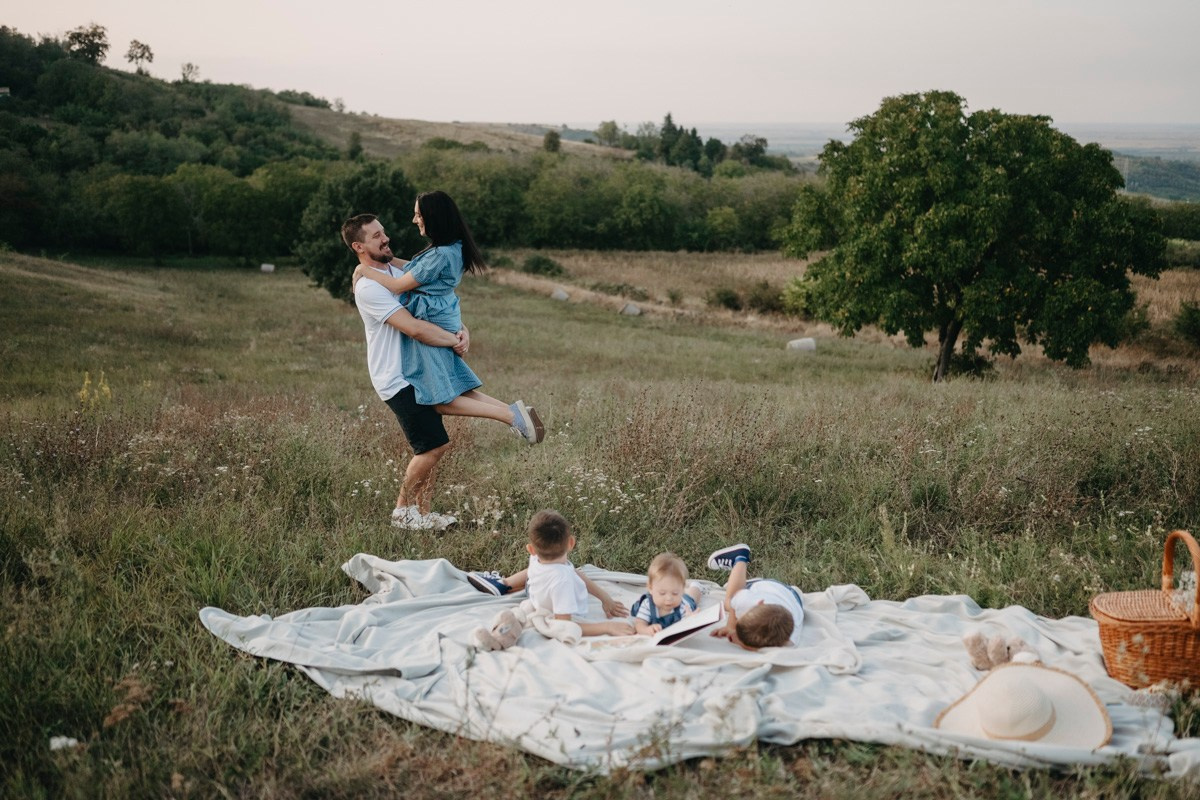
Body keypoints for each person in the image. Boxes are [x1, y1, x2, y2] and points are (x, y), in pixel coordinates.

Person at [352, 192, 544, 445]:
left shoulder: (439, 255)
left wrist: (363, 269)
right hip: (444, 319)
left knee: (441, 398)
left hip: (432, 326)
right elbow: (414, 269)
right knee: (459, 389)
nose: (414, 220)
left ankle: (510, 416)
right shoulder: (449, 249)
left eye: (419, 214)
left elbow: (399, 286)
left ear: (433, 218)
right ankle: (516, 411)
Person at [343, 212, 469, 530]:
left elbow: (437, 300)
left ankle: (422, 514)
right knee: (432, 445)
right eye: (376, 236)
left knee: (434, 446)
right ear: (358, 245)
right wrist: (452, 341)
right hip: (396, 377)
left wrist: (460, 328)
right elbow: (413, 328)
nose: (385, 238)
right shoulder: (369, 287)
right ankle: (403, 511)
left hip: (419, 370)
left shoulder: (393, 269)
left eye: (383, 232)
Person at [467, 510, 634, 637]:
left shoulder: (536, 559)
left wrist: (604, 597)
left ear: (531, 549)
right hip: (560, 607)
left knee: (568, 570)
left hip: (536, 591)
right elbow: (564, 624)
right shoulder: (563, 580)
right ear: (571, 543)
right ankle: (504, 584)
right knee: (569, 573)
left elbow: (573, 571)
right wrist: (607, 627)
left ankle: (503, 584)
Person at [707, 543, 804, 649]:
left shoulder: (790, 638)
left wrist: (743, 642)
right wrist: (730, 627)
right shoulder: (747, 601)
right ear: (759, 603)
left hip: (793, 597)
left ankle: (740, 558)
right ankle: (740, 559)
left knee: (729, 605)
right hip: (768, 587)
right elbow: (736, 602)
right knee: (730, 602)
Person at [629, 552, 703, 636]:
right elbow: (639, 624)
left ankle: (696, 586)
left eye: (674, 593)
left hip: (684, 600)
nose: (669, 598)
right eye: (662, 593)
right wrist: (647, 629)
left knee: (691, 598)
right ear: (650, 588)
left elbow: (686, 626)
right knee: (636, 608)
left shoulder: (683, 606)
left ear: (682, 590)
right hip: (652, 598)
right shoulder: (647, 605)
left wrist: (690, 620)